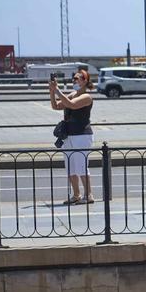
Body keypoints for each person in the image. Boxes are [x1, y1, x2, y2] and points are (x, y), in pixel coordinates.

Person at [49, 66, 95, 205]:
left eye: (76, 78)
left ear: (85, 80)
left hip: (82, 134)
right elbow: (56, 106)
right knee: (70, 166)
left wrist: (57, 90)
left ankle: (89, 195)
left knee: (81, 166)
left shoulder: (86, 97)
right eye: (73, 78)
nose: (74, 80)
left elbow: (72, 105)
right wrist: (52, 92)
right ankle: (76, 195)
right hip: (68, 134)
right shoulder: (72, 93)